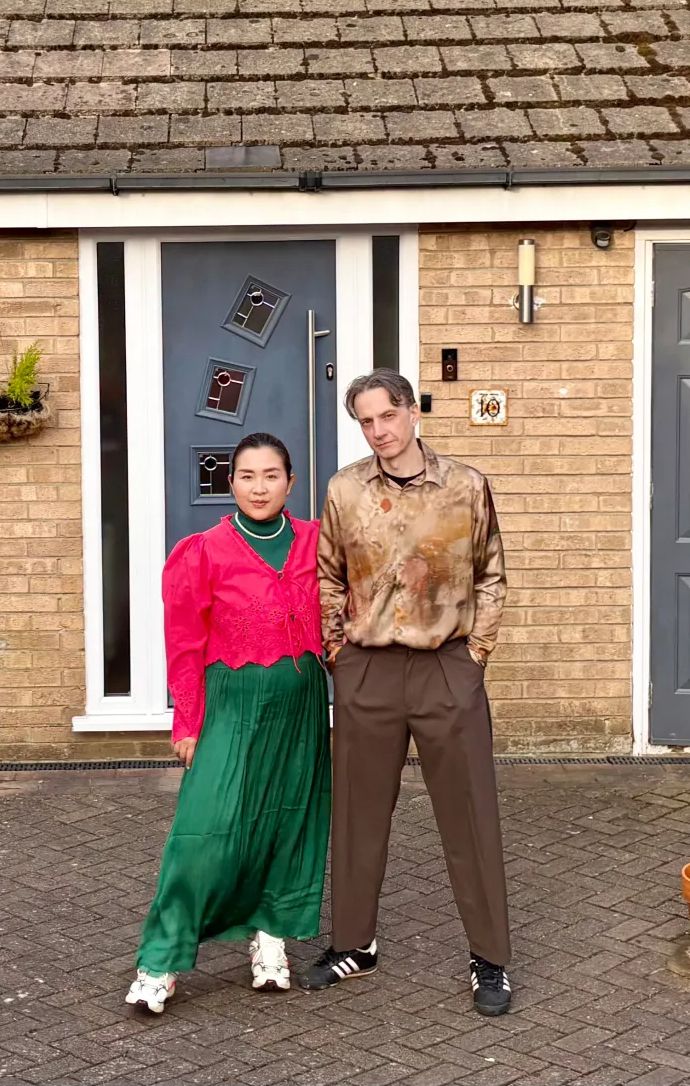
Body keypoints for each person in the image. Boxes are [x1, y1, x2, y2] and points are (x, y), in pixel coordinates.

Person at [305, 368, 513, 1018]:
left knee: (470, 813)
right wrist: (340, 657)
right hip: (366, 667)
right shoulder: (345, 489)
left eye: (386, 416)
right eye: (365, 422)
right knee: (358, 812)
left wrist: (474, 655)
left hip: (446, 666)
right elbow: (328, 577)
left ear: (412, 411)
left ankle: (490, 957)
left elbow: (492, 574)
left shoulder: (466, 486)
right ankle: (354, 943)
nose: (378, 432)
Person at [126, 432, 330, 1015]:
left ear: (291, 482)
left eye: (271, 475)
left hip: (302, 704)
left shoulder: (318, 542)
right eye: (246, 476)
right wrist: (187, 720)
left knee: (289, 820)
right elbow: (184, 644)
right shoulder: (203, 551)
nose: (259, 487)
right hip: (231, 703)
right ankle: (160, 959)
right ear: (230, 482)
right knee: (205, 830)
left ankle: (271, 935)